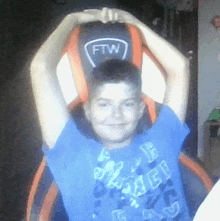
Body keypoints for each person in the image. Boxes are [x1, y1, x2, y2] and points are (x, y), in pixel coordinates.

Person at [30, 8, 190, 220]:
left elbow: (180, 67)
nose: (116, 115)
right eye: (104, 104)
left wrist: (134, 22)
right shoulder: (71, 153)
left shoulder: (162, 139)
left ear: (140, 109)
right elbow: (41, 67)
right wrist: (72, 19)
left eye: (127, 104)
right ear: (88, 110)